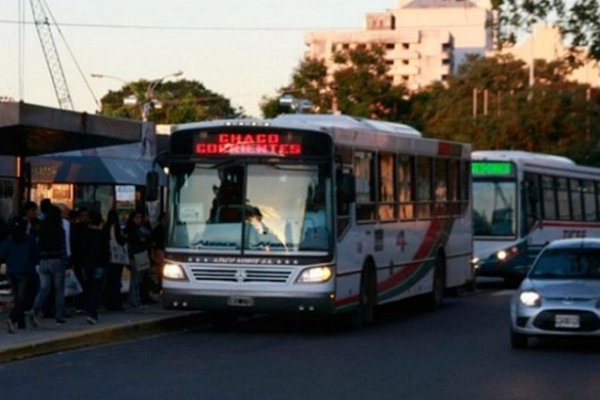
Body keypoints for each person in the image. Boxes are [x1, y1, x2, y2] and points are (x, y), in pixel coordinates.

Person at [0, 217, 40, 333]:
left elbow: (3, 254)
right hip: (26, 270)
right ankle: (13, 318)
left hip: (12, 270)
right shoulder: (30, 239)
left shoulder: (10, 239)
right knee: (25, 297)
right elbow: (36, 254)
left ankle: (21, 323)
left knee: (18, 296)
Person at [31, 205, 68, 326]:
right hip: (57, 260)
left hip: (43, 260)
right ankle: (59, 315)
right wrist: (65, 261)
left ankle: (35, 309)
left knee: (44, 288)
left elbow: (38, 245)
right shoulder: (59, 229)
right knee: (59, 290)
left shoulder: (42, 229)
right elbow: (63, 247)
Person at [80, 209, 109, 324]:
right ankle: (92, 312)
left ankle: (89, 310)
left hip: (87, 264)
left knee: (89, 287)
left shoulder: (85, 234)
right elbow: (106, 250)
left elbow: (82, 249)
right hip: (100, 264)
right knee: (96, 289)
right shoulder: (102, 235)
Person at [125, 209, 151, 307]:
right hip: (135, 254)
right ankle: (133, 298)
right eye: (137, 218)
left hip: (142, 254)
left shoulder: (141, 228)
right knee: (136, 278)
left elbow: (149, 236)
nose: (139, 220)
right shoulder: (132, 230)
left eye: (140, 218)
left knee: (139, 278)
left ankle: (135, 297)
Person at [103, 209, 127, 311]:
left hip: (108, 257)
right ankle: (116, 303)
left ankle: (108, 302)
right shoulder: (115, 227)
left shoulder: (105, 226)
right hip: (117, 257)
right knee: (116, 281)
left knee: (110, 281)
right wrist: (125, 237)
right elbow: (120, 241)